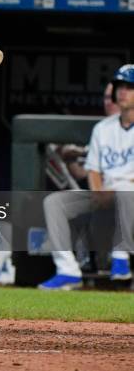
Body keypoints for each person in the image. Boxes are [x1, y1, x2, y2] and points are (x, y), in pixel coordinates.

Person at [39, 65, 134, 290]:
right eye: (120, 86)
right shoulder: (103, 128)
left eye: (129, 87)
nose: (122, 91)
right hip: (105, 191)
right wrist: (98, 191)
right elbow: (93, 170)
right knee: (54, 203)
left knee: (126, 191)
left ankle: (121, 257)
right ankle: (68, 271)